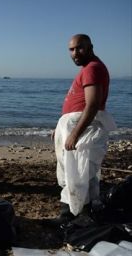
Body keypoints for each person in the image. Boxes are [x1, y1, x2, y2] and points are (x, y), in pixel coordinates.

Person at [51, 34, 116, 225]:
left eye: (79, 48)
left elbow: (93, 104)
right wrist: (61, 128)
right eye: (71, 49)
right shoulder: (90, 68)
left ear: (90, 47)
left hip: (80, 127)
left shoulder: (92, 68)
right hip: (72, 124)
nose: (75, 53)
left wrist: (74, 133)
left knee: (77, 172)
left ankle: (74, 216)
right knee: (74, 171)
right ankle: (73, 213)